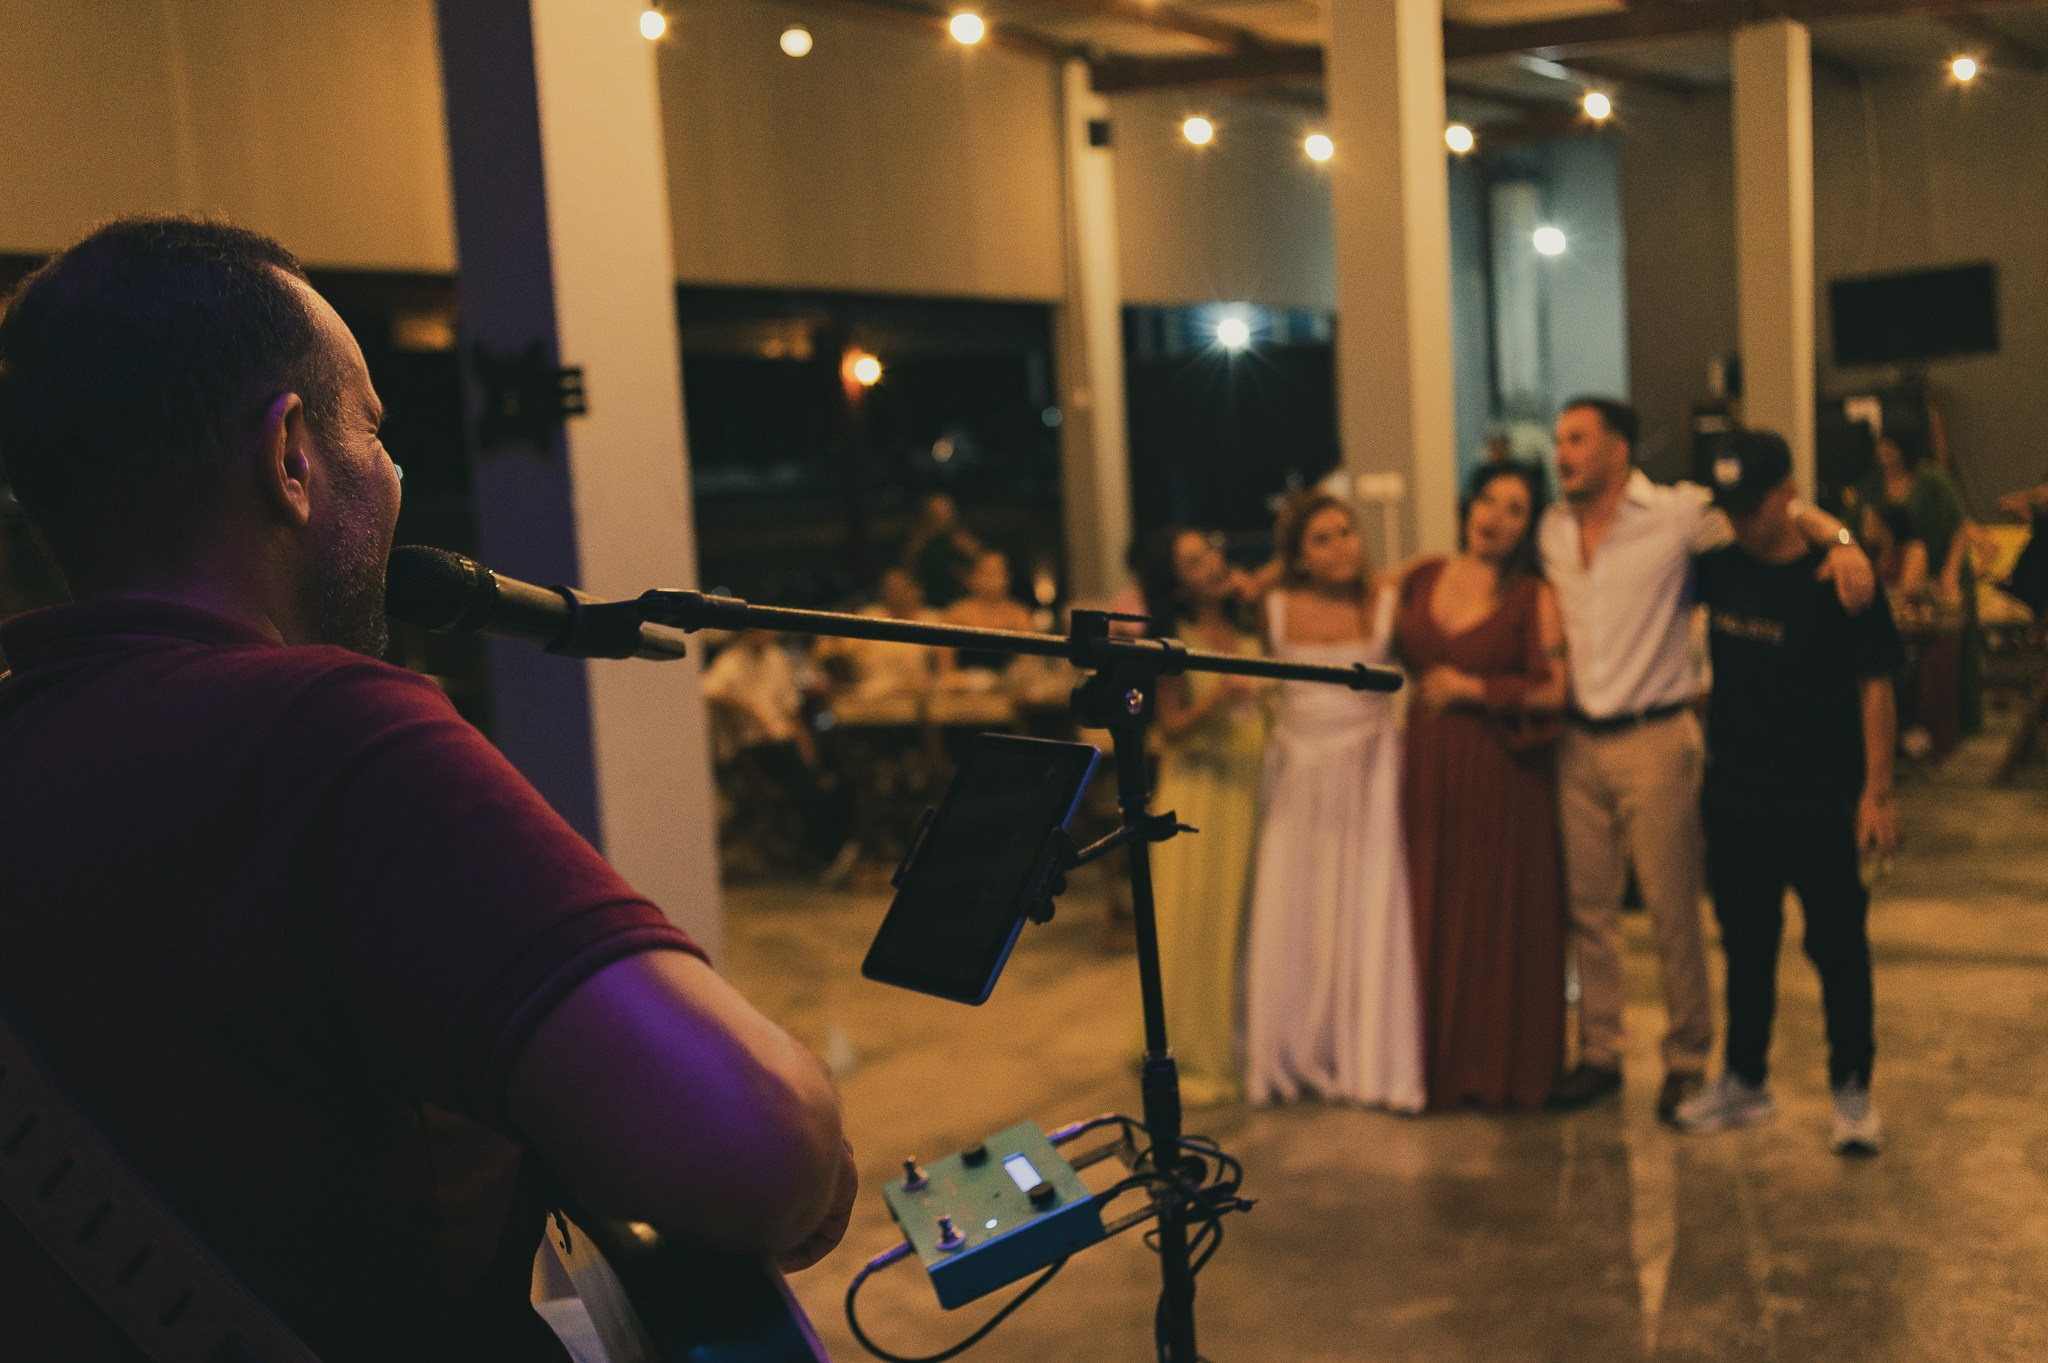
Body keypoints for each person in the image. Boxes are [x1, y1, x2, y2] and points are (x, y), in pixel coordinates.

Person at [0, 217, 855, 1361]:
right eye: (375, 432)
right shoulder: (326, 737)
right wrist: (816, 1146)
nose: (394, 479)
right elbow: (757, 1150)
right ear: (290, 455)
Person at [1540, 397, 1873, 1123]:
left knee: (1671, 911)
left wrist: (1842, 540)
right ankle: (1599, 1049)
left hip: (1655, 735)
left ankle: (1688, 1055)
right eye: (1559, 440)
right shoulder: (1553, 527)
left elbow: (1785, 515)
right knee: (1590, 911)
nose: (1561, 452)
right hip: (1576, 741)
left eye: (1577, 439)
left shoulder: (1678, 514)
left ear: (1619, 448)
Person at [1674, 431, 1899, 1155]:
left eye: (1753, 503)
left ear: (1786, 492)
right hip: (1737, 795)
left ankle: (1852, 1089)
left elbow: (1875, 686)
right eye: (1728, 506)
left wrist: (1877, 792)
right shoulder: (1714, 568)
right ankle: (1745, 1080)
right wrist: (1834, 528)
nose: (1740, 519)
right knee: (1746, 942)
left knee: (1836, 945)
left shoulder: (1842, 581)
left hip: (1822, 797)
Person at [1242, 493, 1424, 1110]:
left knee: (1368, 910)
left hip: (1371, 769)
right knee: (1298, 911)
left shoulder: (1387, 602)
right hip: (1298, 773)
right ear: (1296, 556)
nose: (1341, 546)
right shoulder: (1272, 608)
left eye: (1346, 532)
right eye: (1320, 539)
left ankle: (1367, 1055)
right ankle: (1294, 1049)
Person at [1396, 462, 1568, 1111]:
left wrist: (1473, 690)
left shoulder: (1532, 595)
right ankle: (1424, 1062)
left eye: (1515, 508)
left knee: (1493, 914)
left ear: (1528, 526)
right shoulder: (1423, 574)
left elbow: (1557, 688)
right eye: (1488, 499)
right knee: (1426, 908)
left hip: (1499, 770)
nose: (1493, 515)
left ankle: (1489, 1064)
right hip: (1426, 767)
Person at [1137, 527, 1268, 1105]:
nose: (1211, 563)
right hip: (1202, 785)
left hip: (1252, 779)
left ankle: (1255, 1037)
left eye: (1210, 551)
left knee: (1252, 917)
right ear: (1177, 584)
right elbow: (1169, 730)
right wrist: (1217, 698)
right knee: (1202, 920)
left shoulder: (1246, 624)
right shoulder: (1175, 643)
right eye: (1193, 561)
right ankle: (1198, 1043)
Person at [1844, 427, 1978, 762]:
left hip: (1933, 571)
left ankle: (1936, 727)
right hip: (1893, 568)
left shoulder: (1932, 481)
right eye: (1881, 447)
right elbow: (1851, 524)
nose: (1884, 453)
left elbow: (1959, 528)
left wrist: (1948, 574)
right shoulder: (1873, 483)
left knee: (1936, 649)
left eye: (1890, 446)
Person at [938, 548, 1034, 682]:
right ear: (974, 576)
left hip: (1007, 692)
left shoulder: (1019, 615)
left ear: (1007, 576)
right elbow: (945, 669)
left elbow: (1028, 666)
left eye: (998, 572)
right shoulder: (956, 613)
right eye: (987, 572)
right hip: (963, 692)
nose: (993, 579)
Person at [902, 491, 981, 610]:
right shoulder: (918, 541)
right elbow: (907, 569)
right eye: (935, 510)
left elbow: (982, 563)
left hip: (958, 604)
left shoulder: (962, 539)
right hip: (924, 606)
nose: (940, 514)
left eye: (944, 509)